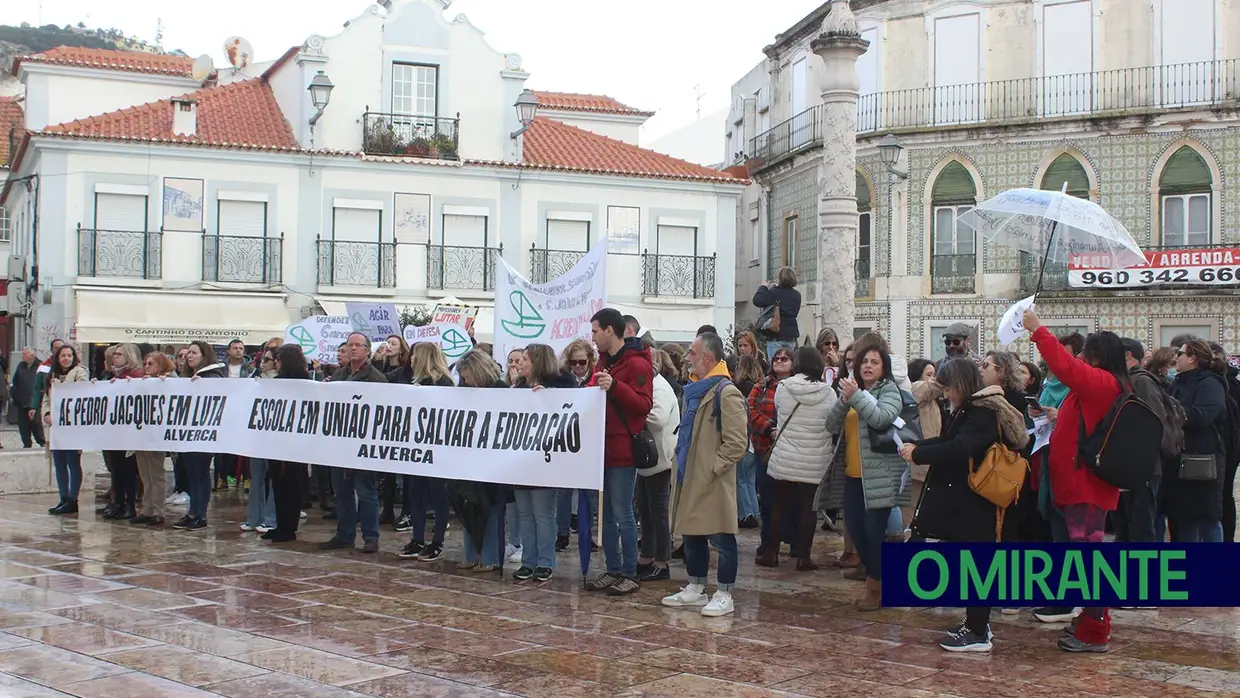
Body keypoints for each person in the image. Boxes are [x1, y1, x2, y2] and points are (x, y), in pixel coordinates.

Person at [902, 358, 1030, 652]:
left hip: (978, 499)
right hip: (970, 498)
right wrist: (919, 449)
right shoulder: (971, 409)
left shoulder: (981, 412)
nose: (946, 394)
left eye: (948, 388)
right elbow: (948, 440)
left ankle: (977, 632)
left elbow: (960, 448)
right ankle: (976, 624)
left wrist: (919, 455)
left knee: (978, 563)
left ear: (960, 384)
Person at [1024, 309, 1122, 653]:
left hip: (1087, 488)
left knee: (1087, 560)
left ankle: (1096, 630)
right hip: (1077, 486)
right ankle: (1092, 621)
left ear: (1099, 357)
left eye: (1084, 353)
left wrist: (1038, 330)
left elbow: (1064, 366)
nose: (1078, 357)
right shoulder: (1091, 388)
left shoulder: (1103, 383)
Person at [661, 332, 747, 617]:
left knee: (722, 538)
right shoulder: (695, 389)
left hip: (711, 479)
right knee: (693, 534)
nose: (687, 359)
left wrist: (714, 466)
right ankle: (696, 587)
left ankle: (724, 593)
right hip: (690, 473)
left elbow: (737, 442)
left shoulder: (726, 391)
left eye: (693, 354)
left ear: (708, 358)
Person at [824, 342, 909, 612]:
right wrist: (843, 400)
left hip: (880, 476)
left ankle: (875, 586)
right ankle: (879, 578)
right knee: (857, 533)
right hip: (852, 475)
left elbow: (882, 418)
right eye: (864, 362)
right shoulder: (853, 392)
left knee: (874, 533)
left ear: (884, 368)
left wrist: (857, 397)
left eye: (874, 362)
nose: (868, 366)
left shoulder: (889, 391)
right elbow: (831, 425)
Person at [584, 308, 654, 596]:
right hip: (603, 448)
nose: (593, 338)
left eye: (595, 331)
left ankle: (629, 572)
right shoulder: (603, 362)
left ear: (610, 331)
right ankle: (613, 569)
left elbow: (644, 404)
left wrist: (616, 387)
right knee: (608, 516)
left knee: (623, 513)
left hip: (624, 449)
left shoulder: (636, 364)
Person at [760, 347, 837, 570]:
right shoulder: (829, 393)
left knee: (779, 506)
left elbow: (778, 411)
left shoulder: (784, 388)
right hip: (815, 459)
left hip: (785, 456)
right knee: (808, 509)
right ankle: (803, 557)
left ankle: (771, 553)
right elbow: (831, 424)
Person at [509, 344, 577, 582]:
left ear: (537, 361)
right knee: (525, 513)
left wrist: (549, 397)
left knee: (542, 513)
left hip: (546, 460)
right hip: (522, 459)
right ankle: (529, 561)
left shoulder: (563, 382)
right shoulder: (518, 385)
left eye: (525, 359)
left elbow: (572, 410)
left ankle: (545, 562)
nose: (520, 364)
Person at [321, 332, 388, 553]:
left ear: (367, 350)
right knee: (342, 490)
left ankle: (371, 536)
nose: (353, 349)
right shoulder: (339, 374)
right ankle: (344, 534)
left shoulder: (376, 378)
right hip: (340, 442)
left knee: (366, 491)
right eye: (350, 345)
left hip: (363, 443)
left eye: (358, 345)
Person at [397, 342, 458, 563]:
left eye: (414, 357)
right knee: (416, 493)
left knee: (438, 495)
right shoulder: (414, 383)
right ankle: (417, 539)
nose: (411, 360)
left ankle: (437, 540)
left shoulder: (442, 383)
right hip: (417, 448)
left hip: (437, 449)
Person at [455, 349, 512, 572]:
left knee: (491, 509)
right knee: (468, 504)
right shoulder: (464, 391)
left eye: (468, 377)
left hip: (494, 461)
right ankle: (471, 554)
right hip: (470, 459)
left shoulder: (500, 390)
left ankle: (490, 557)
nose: (466, 382)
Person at [1165, 339, 1228, 543]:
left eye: (1180, 354)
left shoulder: (1210, 383)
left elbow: (1203, 416)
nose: (1176, 358)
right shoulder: (1179, 382)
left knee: (1208, 518)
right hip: (1179, 460)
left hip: (1203, 462)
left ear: (1192, 358)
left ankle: (1215, 568)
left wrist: (1174, 414)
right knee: (1186, 517)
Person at [1111, 338, 1169, 543]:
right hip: (1128, 467)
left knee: (1141, 528)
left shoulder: (1142, 381)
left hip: (1143, 468)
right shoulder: (1126, 380)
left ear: (1127, 355)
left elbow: (1154, 421)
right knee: (1124, 527)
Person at [635, 348, 681, 582]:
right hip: (648, 458)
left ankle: (661, 562)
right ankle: (647, 556)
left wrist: (633, 413)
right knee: (646, 509)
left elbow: (658, 419)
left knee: (659, 512)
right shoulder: (650, 385)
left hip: (660, 458)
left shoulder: (660, 387)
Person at [748, 347, 795, 561]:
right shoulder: (763, 385)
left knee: (792, 500)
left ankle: (795, 542)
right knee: (767, 499)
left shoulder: (797, 386)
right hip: (764, 449)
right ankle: (768, 543)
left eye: (785, 358)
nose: (779, 361)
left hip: (791, 450)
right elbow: (750, 409)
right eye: (776, 358)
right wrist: (769, 428)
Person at [175, 341, 228, 531]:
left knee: (201, 473)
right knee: (191, 472)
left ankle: (201, 514)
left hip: (204, 433)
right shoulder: (188, 376)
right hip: (188, 433)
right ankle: (192, 512)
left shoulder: (213, 375)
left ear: (204, 355)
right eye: (187, 353)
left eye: (193, 353)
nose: (189, 356)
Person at [555, 339, 601, 551]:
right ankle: (562, 533)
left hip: (590, 442)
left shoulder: (598, 376)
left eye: (581, 362)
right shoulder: (562, 378)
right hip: (567, 441)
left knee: (589, 494)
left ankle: (586, 534)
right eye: (573, 363)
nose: (578, 367)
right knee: (563, 492)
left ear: (589, 360)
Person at [265, 344, 311, 543]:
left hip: (292, 440)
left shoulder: (302, 383)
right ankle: (282, 524)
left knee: (289, 483)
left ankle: (288, 527)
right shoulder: (282, 381)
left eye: (279, 358)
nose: (276, 362)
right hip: (278, 439)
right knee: (279, 483)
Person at [131, 351, 176, 526]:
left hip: (157, 433)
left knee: (156, 473)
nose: (147, 367)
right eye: (146, 363)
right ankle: (146, 508)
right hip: (142, 432)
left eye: (152, 364)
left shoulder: (169, 381)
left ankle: (158, 510)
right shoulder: (143, 382)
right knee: (144, 473)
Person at [44, 344, 88, 516]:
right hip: (56, 427)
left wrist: (61, 385)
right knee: (59, 463)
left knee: (73, 463)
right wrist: (46, 413)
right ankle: (63, 497)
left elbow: (81, 393)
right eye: (63, 355)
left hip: (72, 426)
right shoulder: (51, 375)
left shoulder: (79, 372)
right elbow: (46, 398)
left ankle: (72, 499)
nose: (66, 358)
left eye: (69, 355)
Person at [240, 347, 279, 535]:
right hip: (256, 435)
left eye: (268, 360)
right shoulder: (254, 380)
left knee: (273, 478)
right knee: (256, 478)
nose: (263, 363)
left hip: (273, 437)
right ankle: (253, 517)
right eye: (262, 359)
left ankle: (270, 518)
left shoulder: (282, 381)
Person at [733, 354, 765, 529]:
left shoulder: (739, 388)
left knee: (741, 479)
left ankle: (746, 514)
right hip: (755, 440)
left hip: (744, 439)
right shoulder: (759, 388)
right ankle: (754, 511)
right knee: (750, 480)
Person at [752, 266, 802, 362]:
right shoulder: (797, 295)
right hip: (791, 335)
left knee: (775, 364)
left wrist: (763, 287)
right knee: (788, 363)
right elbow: (795, 312)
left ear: (780, 278)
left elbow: (757, 300)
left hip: (776, 334)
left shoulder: (774, 293)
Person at [10, 348, 45, 448]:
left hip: (35, 402)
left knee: (36, 425)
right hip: (21, 401)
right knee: (23, 425)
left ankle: (41, 442)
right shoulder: (21, 365)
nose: (22, 356)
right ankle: (26, 443)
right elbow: (15, 380)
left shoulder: (40, 366)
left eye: (25, 354)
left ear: (32, 355)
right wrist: (14, 394)